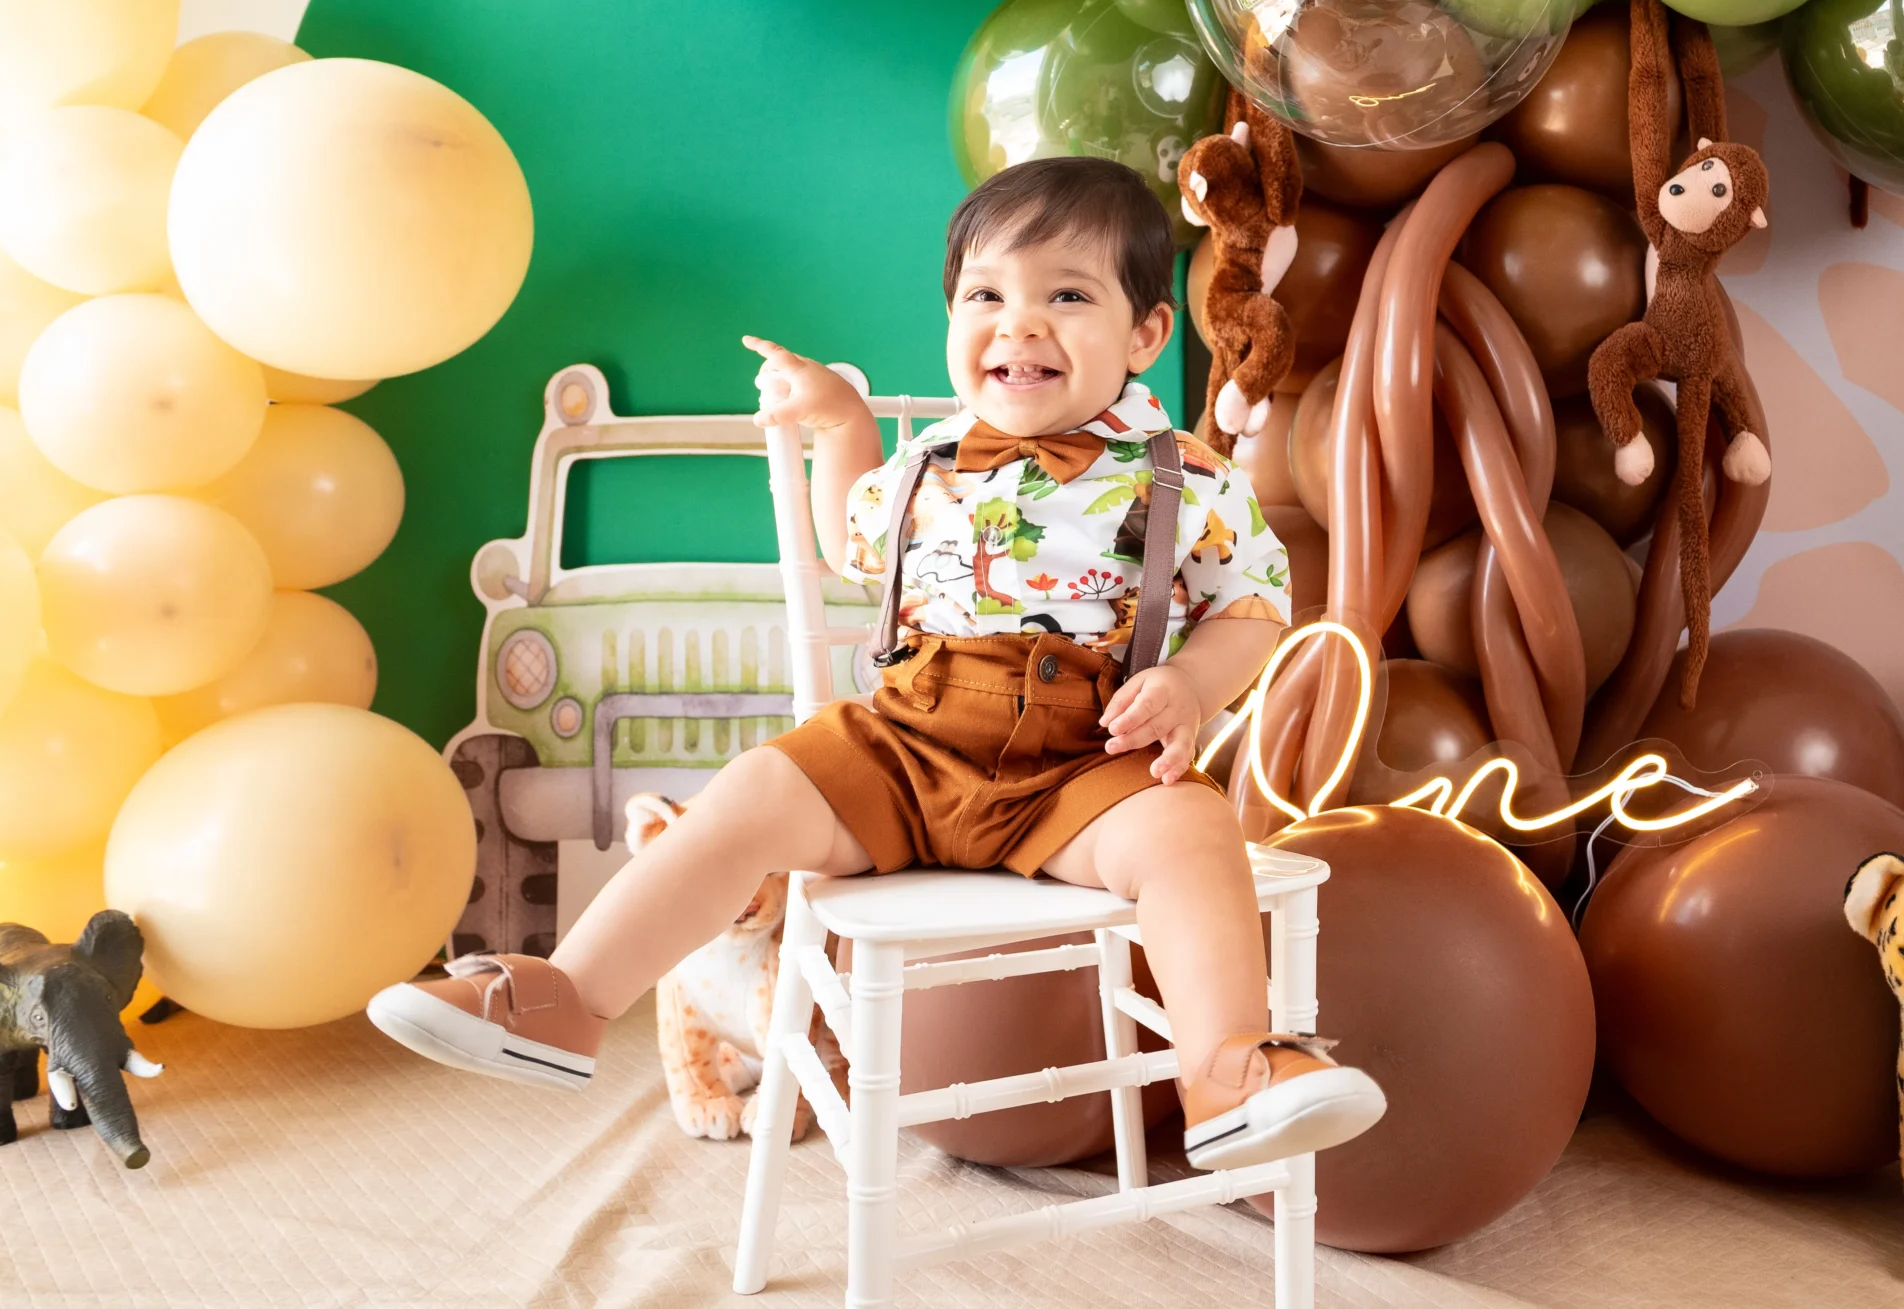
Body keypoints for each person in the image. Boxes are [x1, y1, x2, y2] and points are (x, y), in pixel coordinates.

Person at [367, 155, 1385, 1170]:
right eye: (986, 296)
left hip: (1083, 765)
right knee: (748, 790)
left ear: (1146, 334)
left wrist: (1192, 682)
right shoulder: (928, 462)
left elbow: (1252, 605)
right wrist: (841, 426)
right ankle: (566, 999)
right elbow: (850, 543)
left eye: (1067, 296)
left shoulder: (1185, 474)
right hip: (905, 741)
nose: (1020, 324)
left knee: (1192, 830)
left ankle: (1225, 1066)